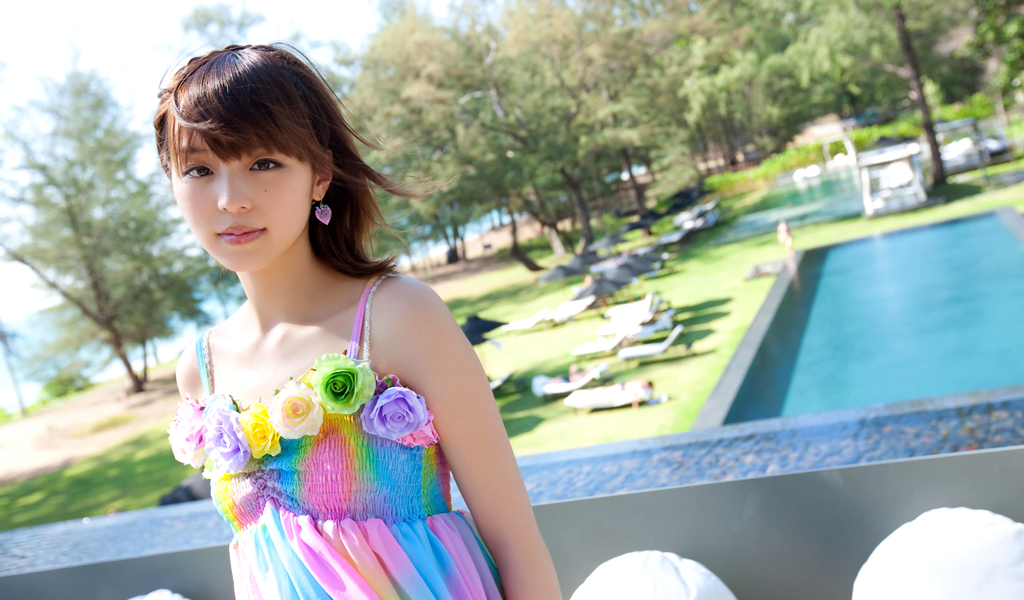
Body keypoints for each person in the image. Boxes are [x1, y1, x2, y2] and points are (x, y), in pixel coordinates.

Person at [157, 44, 560, 600]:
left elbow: (516, 542)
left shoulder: (399, 317)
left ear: (320, 175)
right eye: (199, 169)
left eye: (263, 163)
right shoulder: (200, 370)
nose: (230, 199)